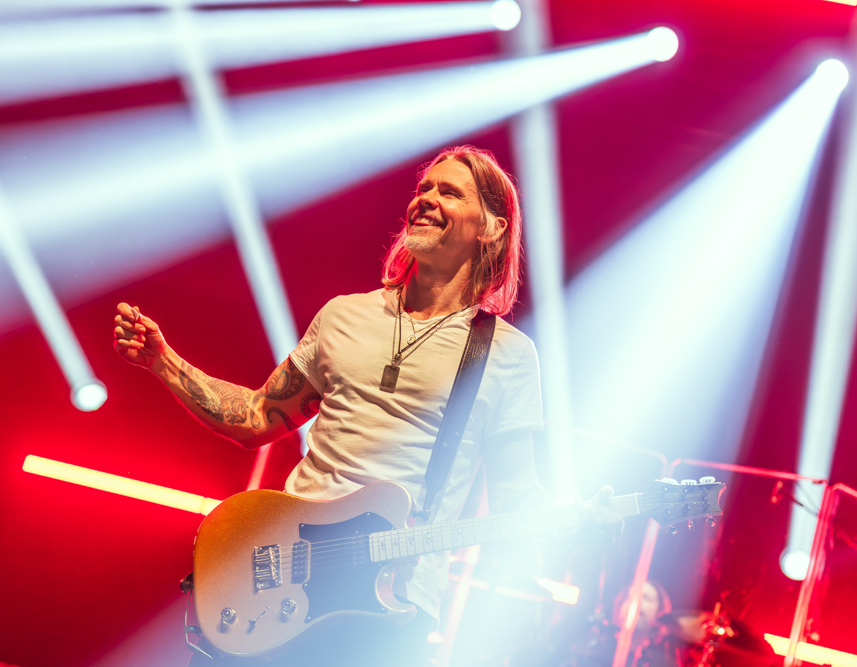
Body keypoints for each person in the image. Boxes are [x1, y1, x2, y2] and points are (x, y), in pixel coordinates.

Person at [113, 146, 622, 666]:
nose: (426, 199)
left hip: (389, 606)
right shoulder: (344, 315)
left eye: (449, 192)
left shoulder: (508, 355)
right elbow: (259, 416)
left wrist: (575, 522)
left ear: (492, 227)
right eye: (424, 188)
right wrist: (163, 361)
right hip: (277, 586)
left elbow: (517, 496)